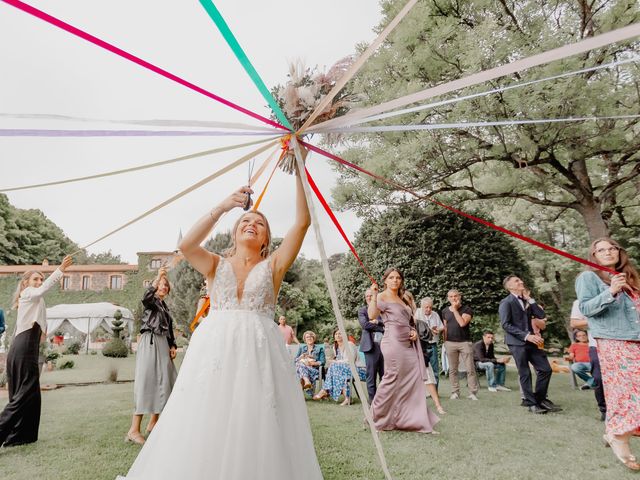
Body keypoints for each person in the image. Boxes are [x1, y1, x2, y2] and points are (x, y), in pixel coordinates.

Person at [118, 173, 322, 479]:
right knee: (206, 416)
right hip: (215, 351)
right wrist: (225, 206)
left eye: (260, 223)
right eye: (245, 222)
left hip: (259, 352)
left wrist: (300, 166)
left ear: (266, 238)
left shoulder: (275, 265)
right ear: (234, 232)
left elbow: (303, 223)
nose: (251, 224)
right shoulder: (215, 263)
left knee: (257, 419)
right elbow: (187, 245)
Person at [575, 238, 640, 471]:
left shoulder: (630, 277)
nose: (608, 252)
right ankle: (618, 436)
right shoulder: (588, 278)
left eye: (612, 248)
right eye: (601, 250)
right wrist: (611, 291)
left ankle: (615, 431)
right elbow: (586, 309)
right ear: (593, 256)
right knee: (626, 391)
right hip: (614, 341)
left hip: (636, 339)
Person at [0, 255, 72, 447]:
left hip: (23, 348)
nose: (39, 282)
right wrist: (60, 270)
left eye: (41, 278)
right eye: (35, 279)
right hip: (23, 349)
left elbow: (35, 323)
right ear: (26, 283)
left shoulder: (36, 300)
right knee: (24, 394)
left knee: (31, 394)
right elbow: (42, 290)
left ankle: (22, 436)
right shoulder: (29, 293)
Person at [367, 268, 439, 433]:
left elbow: (408, 320)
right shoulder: (381, 296)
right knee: (391, 378)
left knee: (412, 378)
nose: (395, 280)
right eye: (391, 278)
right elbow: (372, 314)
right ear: (385, 280)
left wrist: (413, 331)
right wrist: (373, 295)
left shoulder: (401, 298)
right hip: (393, 343)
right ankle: (376, 418)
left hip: (407, 343)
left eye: (398, 278)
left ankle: (411, 419)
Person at [125, 267, 178, 445]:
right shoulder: (151, 302)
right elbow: (146, 296)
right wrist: (158, 276)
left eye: (166, 286)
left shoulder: (164, 307)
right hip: (150, 341)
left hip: (163, 343)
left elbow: (169, 329)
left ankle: (153, 423)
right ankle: (133, 430)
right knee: (146, 380)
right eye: (160, 285)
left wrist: (173, 345)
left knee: (166, 379)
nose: (163, 287)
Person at [499, 275, 561, 414]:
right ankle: (531, 404)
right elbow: (506, 325)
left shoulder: (526, 301)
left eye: (520, 280)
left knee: (545, 369)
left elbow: (540, 315)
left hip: (532, 341)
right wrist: (527, 336)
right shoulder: (506, 302)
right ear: (509, 286)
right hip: (517, 342)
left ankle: (540, 399)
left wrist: (530, 300)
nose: (521, 281)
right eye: (516, 281)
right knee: (525, 372)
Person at [406, 293, 445, 415]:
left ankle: (438, 405)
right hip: (407, 352)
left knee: (429, 374)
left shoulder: (418, 320)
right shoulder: (408, 317)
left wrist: (428, 330)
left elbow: (428, 334)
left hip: (422, 350)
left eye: (410, 300)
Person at [569, 300, 606, 420]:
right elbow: (574, 322)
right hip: (597, 345)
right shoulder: (581, 302)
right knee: (598, 378)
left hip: (622, 343)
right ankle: (604, 410)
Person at [442, 289, 479, 400]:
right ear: (448, 298)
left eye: (455, 296)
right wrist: (444, 342)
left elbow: (462, 323)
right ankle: (455, 392)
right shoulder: (444, 311)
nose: (454, 298)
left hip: (464, 343)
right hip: (450, 343)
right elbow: (445, 328)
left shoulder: (467, 309)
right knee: (453, 369)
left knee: (470, 368)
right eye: (451, 296)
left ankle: (472, 393)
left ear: (460, 296)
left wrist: (455, 310)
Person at [312, 329, 366, 405]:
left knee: (335, 366)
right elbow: (339, 361)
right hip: (343, 371)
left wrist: (336, 362)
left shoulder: (349, 344)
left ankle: (325, 390)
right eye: (336, 334)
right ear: (334, 337)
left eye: (340, 334)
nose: (338, 335)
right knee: (337, 370)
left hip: (358, 370)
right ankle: (347, 398)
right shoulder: (335, 347)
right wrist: (333, 361)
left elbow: (350, 361)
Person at [358, 288, 384, 402]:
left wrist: (377, 322)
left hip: (384, 345)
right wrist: (380, 327)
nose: (369, 297)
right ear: (365, 298)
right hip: (370, 346)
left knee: (384, 375)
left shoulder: (382, 310)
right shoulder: (362, 310)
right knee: (371, 376)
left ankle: (384, 401)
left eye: (371, 295)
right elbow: (365, 325)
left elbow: (388, 324)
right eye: (367, 296)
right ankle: (372, 402)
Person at [414, 297, 444, 387]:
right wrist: (429, 330)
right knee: (420, 369)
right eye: (426, 307)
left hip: (432, 344)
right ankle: (423, 392)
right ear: (421, 306)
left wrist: (438, 330)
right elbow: (415, 327)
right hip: (421, 344)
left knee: (435, 369)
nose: (429, 309)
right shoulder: (417, 313)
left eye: (430, 307)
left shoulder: (435, 314)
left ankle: (435, 391)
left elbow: (442, 327)